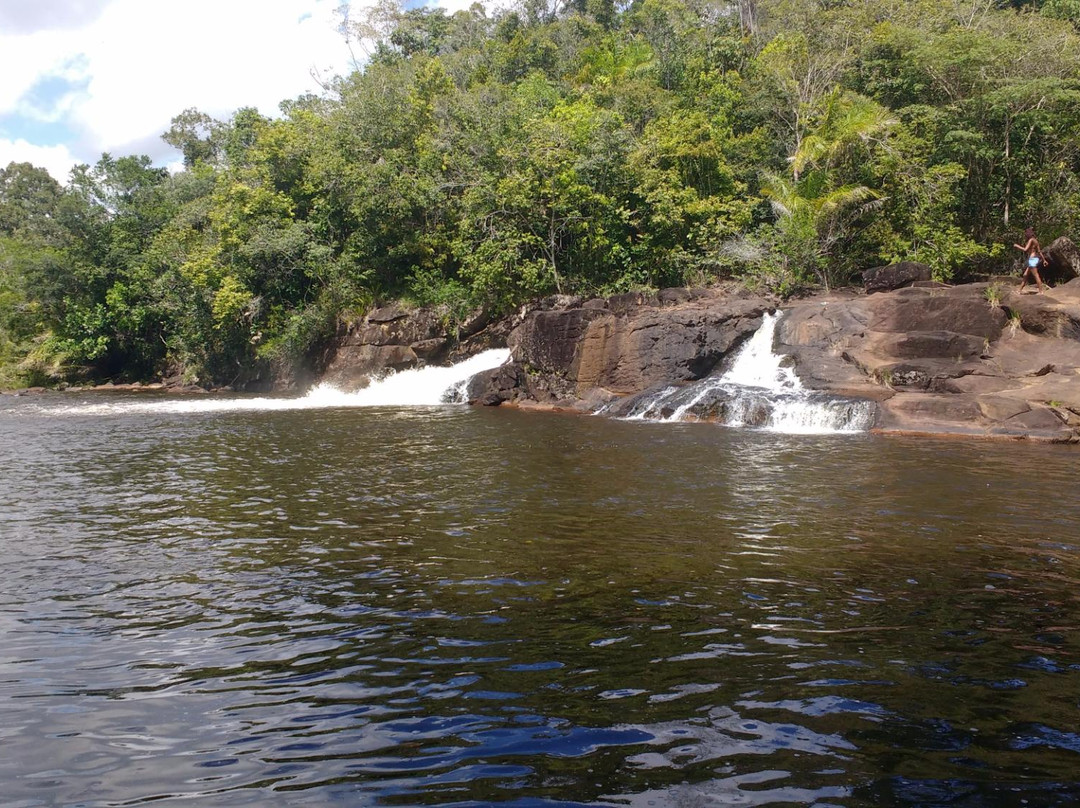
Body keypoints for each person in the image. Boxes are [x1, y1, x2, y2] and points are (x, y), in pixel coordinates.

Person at [1013, 227, 1047, 293]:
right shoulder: (1035, 241)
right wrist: (1044, 260)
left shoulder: (1031, 240)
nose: (1025, 235)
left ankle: (1041, 291)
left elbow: (1025, 249)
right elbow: (1039, 251)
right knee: (1025, 275)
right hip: (1034, 258)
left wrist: (1017, 246)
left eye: (1026, 234)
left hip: (1032, 259)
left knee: (1036, 275)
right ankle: (1019, 290)